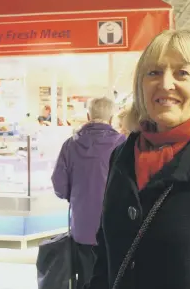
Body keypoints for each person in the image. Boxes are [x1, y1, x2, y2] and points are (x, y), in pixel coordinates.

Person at [86, 29, 190, 289]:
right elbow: (106, 258)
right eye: (153, 72)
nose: (165, 84)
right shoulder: (122, 156)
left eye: (182, 73)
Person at [52, 97, 125, 289]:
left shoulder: (70, 144)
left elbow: (59, 185)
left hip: (82, 226)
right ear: (111, 118)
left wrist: (77, 197)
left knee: (85, 277)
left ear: (88, 115)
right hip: (114, 225)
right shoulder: (123, 144)